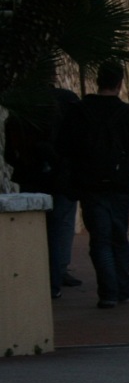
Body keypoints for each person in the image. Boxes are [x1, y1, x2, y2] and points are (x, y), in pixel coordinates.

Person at [60, 60, 129, 309]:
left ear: (98, 81)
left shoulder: (79, 111)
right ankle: (122, 286)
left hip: (89, 184)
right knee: (119, 236)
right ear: (120, 84)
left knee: (99, 238)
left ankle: (108, 291)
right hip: (119, 184)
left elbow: (65, 146)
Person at [4, 86, 84, 297]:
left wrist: (22, 163)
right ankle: (57, 276)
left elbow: (9, 152)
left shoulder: (22, 104)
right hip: (61, 178)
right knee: (60, 227)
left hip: (30, 176)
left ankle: (40, 277)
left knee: (36, 229)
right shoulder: (68, 101)